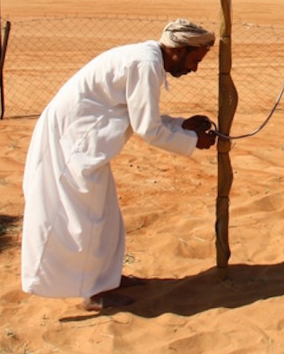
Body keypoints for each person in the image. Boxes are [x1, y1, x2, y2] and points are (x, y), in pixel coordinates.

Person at [20, 18, 218, 311]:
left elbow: (141, 116)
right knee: (86, 220)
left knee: (106, 217)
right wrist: (192, 140)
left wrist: (182, 125)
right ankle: (94, 292)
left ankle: (107, 278)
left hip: (86, 142)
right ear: (178, 50)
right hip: (74, 143)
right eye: (194, 59)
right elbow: (148, 130)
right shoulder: (145, 65)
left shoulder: (145, 60)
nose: (194, 68)